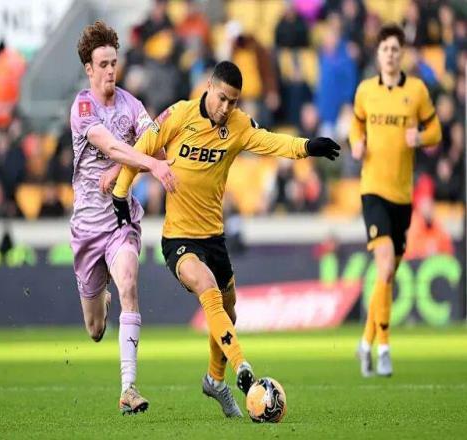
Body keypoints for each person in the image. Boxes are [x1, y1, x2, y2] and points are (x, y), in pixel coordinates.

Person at [111, 61, 340, 417]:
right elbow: (140, 150)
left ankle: (214, 380)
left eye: (233, 101)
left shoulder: (237, 125)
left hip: (214, 239)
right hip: (179, 239)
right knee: (208, 289)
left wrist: (307, 146)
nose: (226, 107)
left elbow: (271, 142)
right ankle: (242, 367)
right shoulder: (179, 115)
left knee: (228, 311)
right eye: (222, 98)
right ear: (208, 87)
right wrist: (120, 195)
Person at [70, 21, 175, 415]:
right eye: (103, 64)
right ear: (89, 69)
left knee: (129, 282)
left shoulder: (132, 105)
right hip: (86, 227)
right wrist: (145, 162)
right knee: (95, 329)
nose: (111, 70)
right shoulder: (83, 107)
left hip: (119, 220)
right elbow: (112, 145)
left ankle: (128, 388)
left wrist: (127, 168)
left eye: (114, 62)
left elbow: (155, 144)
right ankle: (102, 298)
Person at [350, 24, 441, 378]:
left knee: (387, 276)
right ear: (378, 54)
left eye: (395, 49)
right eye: (385, 48)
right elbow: (356, 126)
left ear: (402, 55)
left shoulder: (416, 91)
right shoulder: (365, 91)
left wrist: (420, 137)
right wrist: (356, 143)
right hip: (373, 189)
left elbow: (436, 130)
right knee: (385, 266)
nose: (390, 54)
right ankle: (385, 348)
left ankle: (365, 341)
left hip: (403, 195)